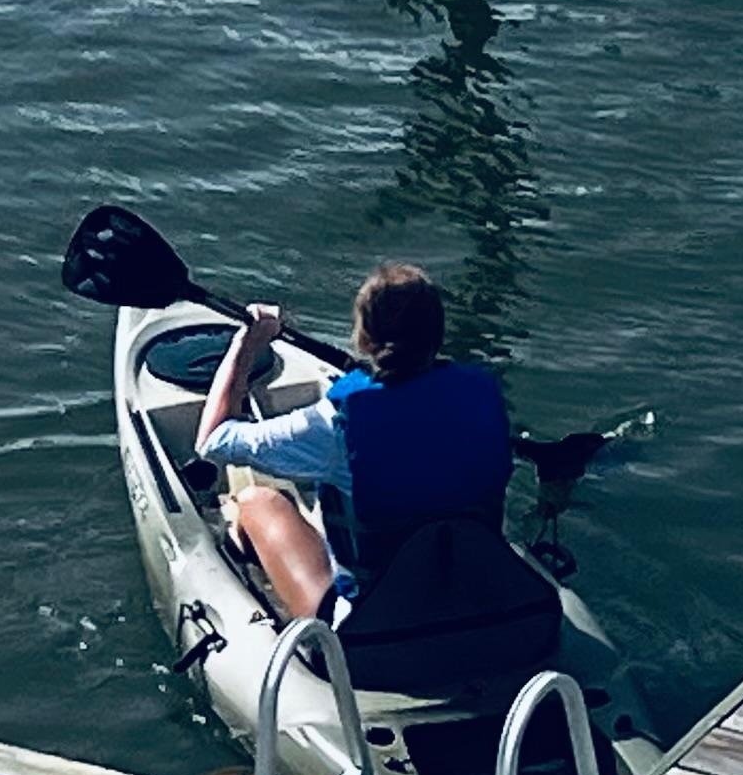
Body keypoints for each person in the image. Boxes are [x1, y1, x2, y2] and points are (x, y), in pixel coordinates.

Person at [194, 264, 513, 626]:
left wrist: (248, 343)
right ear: (438, 335)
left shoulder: (339, 422)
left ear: (363, 340)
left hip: (377, 632)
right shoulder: (483, 396)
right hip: (483, 611)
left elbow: (213, 440)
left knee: (259, 502)